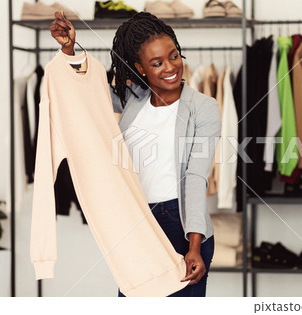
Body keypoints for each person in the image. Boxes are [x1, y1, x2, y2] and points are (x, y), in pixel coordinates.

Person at [50, 11, 221, 297]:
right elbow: (87, 91)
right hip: (136, 223)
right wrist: (69, 50)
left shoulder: (203, 107)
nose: (170, 67)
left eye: (174, 55)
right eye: (157, 63)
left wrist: (193, 246)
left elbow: (195, 177)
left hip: (178, 224)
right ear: (140, 68)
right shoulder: (131, 97)